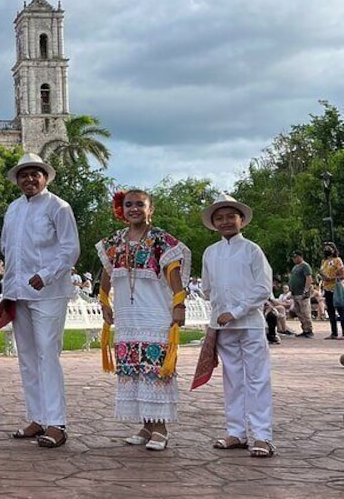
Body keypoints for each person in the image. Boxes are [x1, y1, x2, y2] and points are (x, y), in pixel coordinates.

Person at [97, 189, 190, 451]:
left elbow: (174, 274)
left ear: (151, 210)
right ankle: (147, 425)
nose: (134, 209)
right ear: (122, 210)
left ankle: (161, 428)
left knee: (154, 369)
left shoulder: (161, 240)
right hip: (128, 314)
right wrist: (104, 302)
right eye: (129, 205)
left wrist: (179, 305)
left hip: (154, 313)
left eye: (140, 204)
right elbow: (106, 271)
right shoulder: (115, 241)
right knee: (135, 369)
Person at [0, 153, 79, 449]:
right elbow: (8, 247)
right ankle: (36, 417)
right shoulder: (13, 209)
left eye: (35, 174)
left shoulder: (58, 207)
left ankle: (57, 423)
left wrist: (46, 274)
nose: (29, 179)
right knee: (27, 357)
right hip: (18, 292)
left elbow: (70, 249)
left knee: (47, 354)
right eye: (24, 175)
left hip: (48, 292)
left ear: (45, 177)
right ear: (17, 180)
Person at [200, 193, 275, 458]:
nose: (225, 222)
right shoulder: (211, 252)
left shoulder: (252, 250)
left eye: (230, 216)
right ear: (213, 223)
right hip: (223, 326)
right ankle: (236, 432)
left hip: (250, 324)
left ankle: (263, 435)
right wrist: (221, 312)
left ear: (241, 219)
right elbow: (206, 288)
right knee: (232, 378)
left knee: (257, 378)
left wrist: (236, 310)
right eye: (219, 218)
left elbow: (263, 288)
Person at [320, 242, 344, 339]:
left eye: (329, 248)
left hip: (336, 288)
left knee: (341, 310)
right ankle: (334, 333)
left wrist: (332, 278)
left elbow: (342, 274)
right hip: (327, 288)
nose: (327, 249)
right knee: (330, 311)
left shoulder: (337, 260)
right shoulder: (324, 261)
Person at [288, 251, 313, 338]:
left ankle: (309, 330)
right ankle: (304, 329)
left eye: (296, 257)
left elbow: (308, 278)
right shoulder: (295, 267)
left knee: (305, 312)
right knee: (299, 312)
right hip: (295, 293)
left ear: (300, 256)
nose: (294, 259)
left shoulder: (305, 266)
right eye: (293, 257)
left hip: (302, 293)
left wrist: (306, 290)